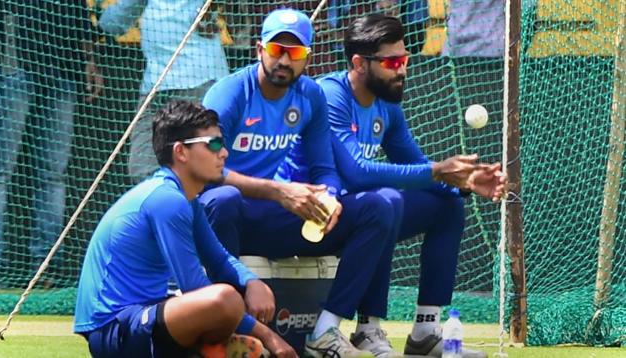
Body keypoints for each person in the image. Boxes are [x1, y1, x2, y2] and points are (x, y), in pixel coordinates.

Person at [277, 14, 507, 357]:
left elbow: (415, 166)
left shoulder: (388, 106)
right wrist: (438, 171)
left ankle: (425, 334)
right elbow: (356, 172)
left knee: (446, 207)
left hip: (355, 213)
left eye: (405, 60)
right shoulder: (329, 94)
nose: (401, 69)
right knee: (383, 202)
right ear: (359, 63)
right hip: (305, 215)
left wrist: (463, 183)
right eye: (392, 62)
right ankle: (347, 331)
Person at [199, 8, 397, 358]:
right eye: (277, 50)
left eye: (295, 53)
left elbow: (324, 168)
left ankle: (326, 330)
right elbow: (206, 173)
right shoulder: (228, 94)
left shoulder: (310, 96)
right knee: (223, 198)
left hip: (277, 217)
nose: (284, 61)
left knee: (377, 206)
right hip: (230, 219)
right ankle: (228, 329)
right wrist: (278, 191)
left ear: (308, 57)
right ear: (259, 49)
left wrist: (329, 198)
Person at [73, 100, 296, 357]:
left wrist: (251, 282)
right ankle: (210, 349)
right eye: (213, 144)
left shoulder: (186, 199)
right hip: (115, 329)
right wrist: (268, 336)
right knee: (225, 299)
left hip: (143, 318)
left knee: (228, 302)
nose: (223, 153)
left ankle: (211, 349)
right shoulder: (167, 199)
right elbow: (194, 285)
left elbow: (218, 257)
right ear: (181, 152)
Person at [0, 0, 102, 280]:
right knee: (0, 170)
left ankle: (45, 265)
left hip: (63, 72)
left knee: (53, 173)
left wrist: (89, 61)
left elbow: (79, 16)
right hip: (14, 68)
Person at [98, 0, 230, 183]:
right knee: (142, 169)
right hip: (155, 85)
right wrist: (96, 17)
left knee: (200, 166)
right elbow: (113, 22)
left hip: (199, 81)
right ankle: (166, 208)